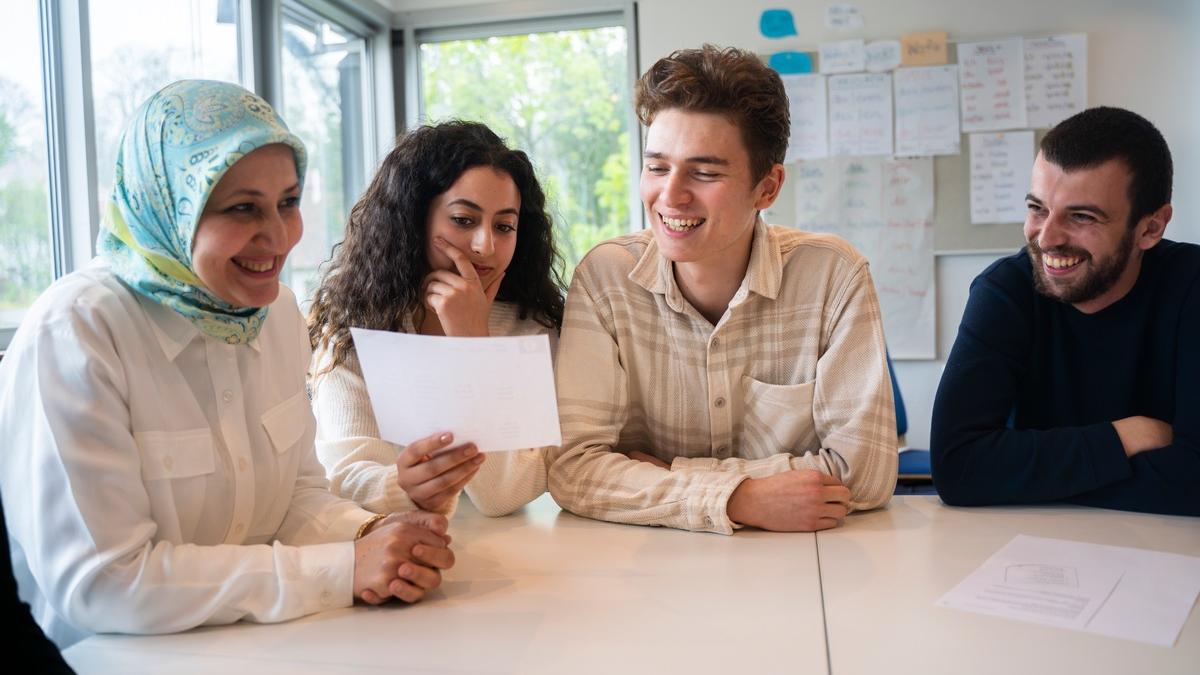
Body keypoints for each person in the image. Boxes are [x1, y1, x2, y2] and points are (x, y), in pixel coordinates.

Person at [0, 80, 455, 649]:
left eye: (288, 202)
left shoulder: (278, 313)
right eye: (243, 208)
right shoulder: (77, 332)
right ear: (168, 207)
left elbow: (294, 498)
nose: (278, 236)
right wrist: (342, 568)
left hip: (254, 647)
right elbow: (102, 583)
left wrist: (375, 535)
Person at [547, 45, 897, 535]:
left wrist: (673, 475)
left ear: (768, 188)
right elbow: (573, 469)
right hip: (649, 571)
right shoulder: (606, 278)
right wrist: (740, 499)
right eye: (657, 167)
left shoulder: (833, 276)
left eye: (705, 172)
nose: (670, 195)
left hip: (801, 569)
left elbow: (865, 473)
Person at [930, 106, 1200, 515]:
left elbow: (1193, 479)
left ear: (1150, 228)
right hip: (1034, 553)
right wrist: (1122, 438)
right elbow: (958, 467)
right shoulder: (1005, 291)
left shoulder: (1192, 288)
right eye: (1037, 208)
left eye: (1081, 216)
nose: (1046, 238)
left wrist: (1028, 478)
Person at [307, 120, 565, 518]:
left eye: (504, 226)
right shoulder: (354, 323)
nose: (485, 246)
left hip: (515, 553)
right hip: (392, 543)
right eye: (463, 220)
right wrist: (401, 486)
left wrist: (472, 344)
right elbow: (347, 474)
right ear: (414, 219)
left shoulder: (531, 328)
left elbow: (504, 494)